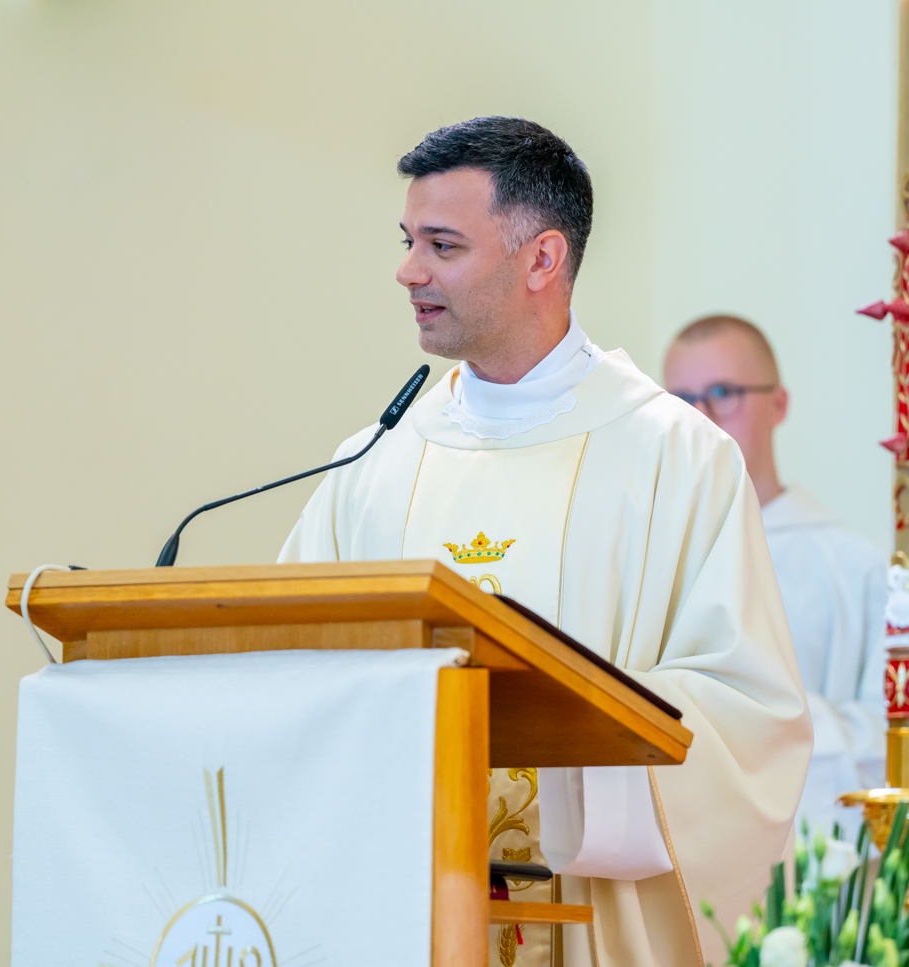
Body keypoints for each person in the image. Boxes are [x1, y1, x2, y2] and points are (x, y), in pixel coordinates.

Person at [279, 117, 812, 966]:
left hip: (587, 923)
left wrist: (565, 750)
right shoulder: (375, 464)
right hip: (401, 917)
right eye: (409, 241)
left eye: (442, 245)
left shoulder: (675, 457)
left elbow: (750, 713)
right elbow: (289, 672)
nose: (409, 270)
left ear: (541, 259)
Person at [663, 316, 888, 838]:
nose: (701, 418)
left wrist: (746, 731)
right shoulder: (651, 560)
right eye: (682, 400)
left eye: (724, 393)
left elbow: (890, 743)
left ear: (779, 404)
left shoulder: (858, 571)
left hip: (804, 854)